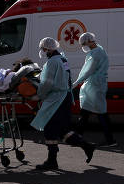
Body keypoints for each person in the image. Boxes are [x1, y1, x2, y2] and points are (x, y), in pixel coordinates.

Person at [30, 37, 95, 170]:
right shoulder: (62, 59)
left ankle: (52, 161)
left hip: (56, 99)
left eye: (43, 49)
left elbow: (47, 82)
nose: (43, 52)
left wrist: (39, 95)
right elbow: (67, 78)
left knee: (50, 128)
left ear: (48, 49)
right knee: (63, 130)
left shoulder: (52, 62)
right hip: (65, 97)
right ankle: (86, 146)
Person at [73, 32, 117, 147]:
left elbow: (87, 71)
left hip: (94, 86)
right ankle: (77, 136)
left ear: (88, 41)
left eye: (83, 44)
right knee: (85, 111)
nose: (83, 46)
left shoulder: (95, 54)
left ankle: (110, 140)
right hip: (95, 86)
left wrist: (76, 83)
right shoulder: (99, 50)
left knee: (100, 113)